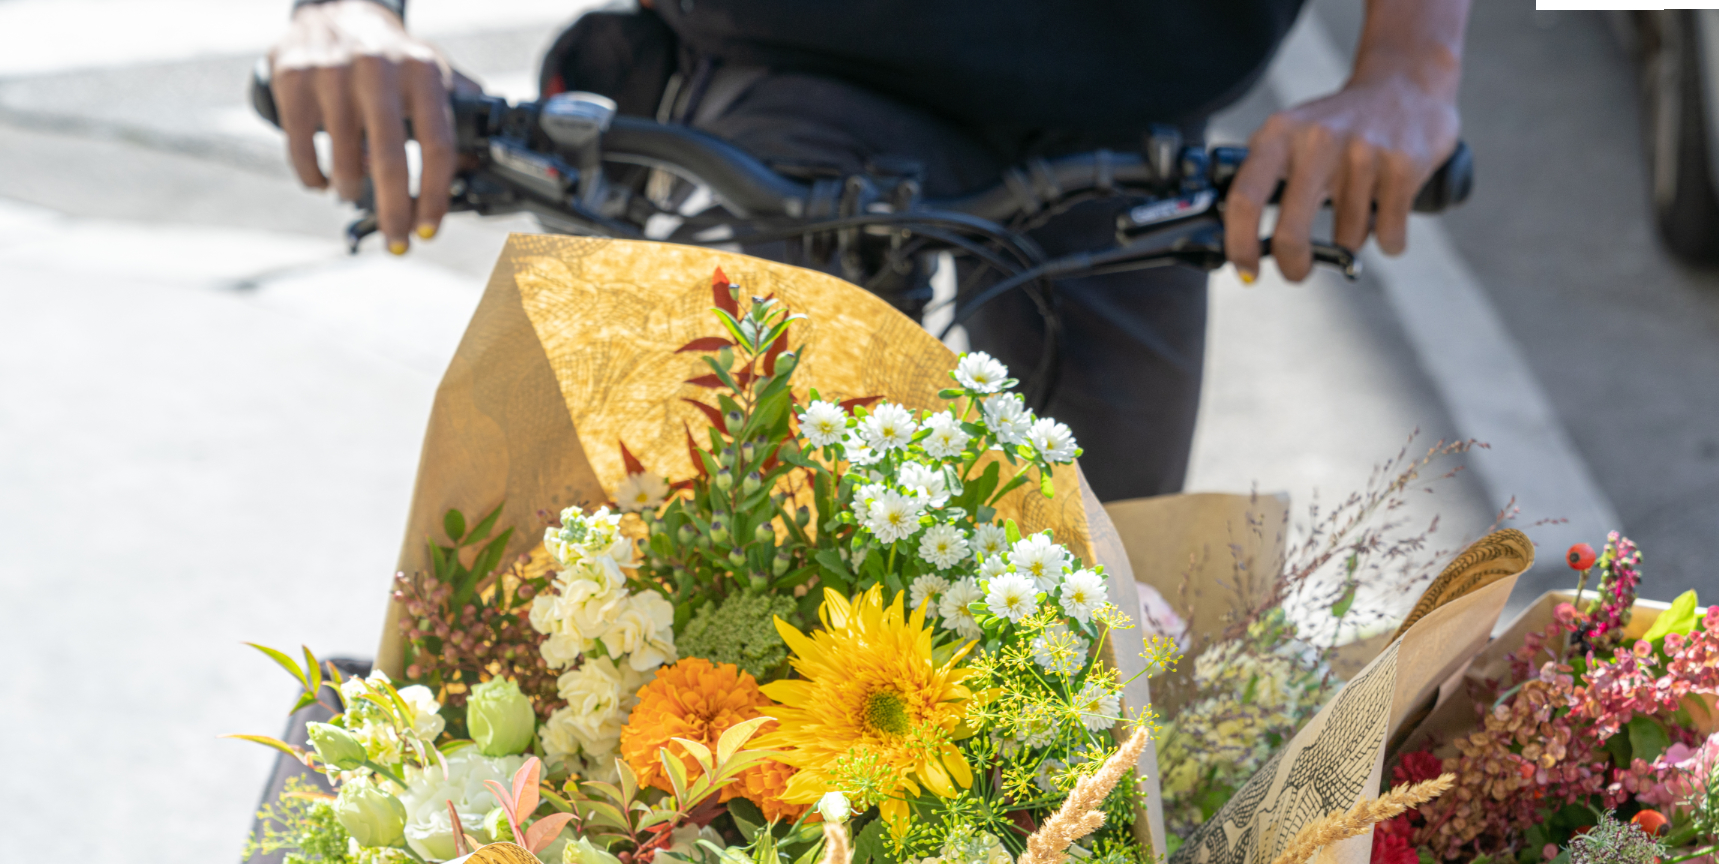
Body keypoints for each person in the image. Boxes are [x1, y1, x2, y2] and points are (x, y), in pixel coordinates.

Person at [267, 0, 1468, 500]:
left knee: (1119, 647)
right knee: (675, 590)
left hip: (1127, 98)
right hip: (801, 61)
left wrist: (1411, 72)